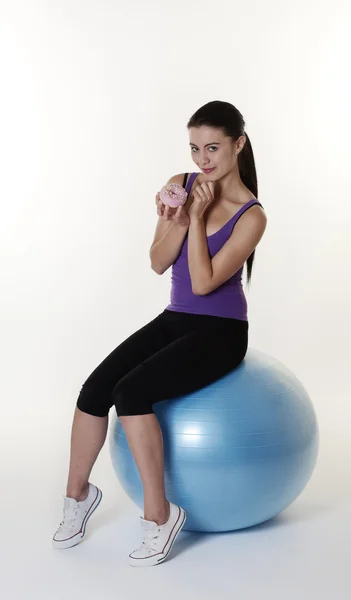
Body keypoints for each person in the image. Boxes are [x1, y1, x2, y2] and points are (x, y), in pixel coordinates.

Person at [52, 100, 267, 567]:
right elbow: (157, 262)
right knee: (94, 391)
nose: (202, 160)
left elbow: (207, 281)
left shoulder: (251, 215)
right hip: (176, 318)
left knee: (132, 393)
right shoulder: (179, 186)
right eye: (194, 149)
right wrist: (179, 216)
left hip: (223, 331)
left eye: (212, 147)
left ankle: (159, 515)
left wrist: (195, 222)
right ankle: (77, 496)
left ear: (239, 144)